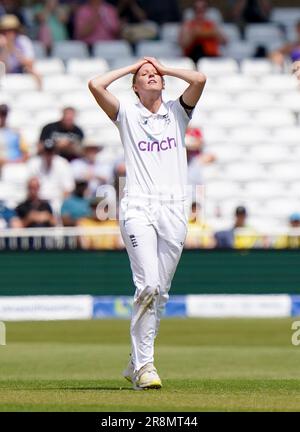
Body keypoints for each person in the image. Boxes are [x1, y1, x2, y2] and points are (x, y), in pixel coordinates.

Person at [88, 56, 206, 389]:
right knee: (148, 285)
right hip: (138, 207)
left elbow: (199, 79)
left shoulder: (177, 112)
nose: (151, 76)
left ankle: (135, 361)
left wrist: (164, 69)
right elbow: (96, 85)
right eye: (145, 75)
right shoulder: (126, 113)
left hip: (174, 210)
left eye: (155, 74)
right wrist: (131, 67)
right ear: (135, 85)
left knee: (161, 293)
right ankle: (145, 368)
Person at [27, 139, 75, 213]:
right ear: (43, 152)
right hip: (39, 201)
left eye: (51, 152)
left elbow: (68, 188)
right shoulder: (34, 163)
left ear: (55, 152)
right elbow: (31, 185)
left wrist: (61, 203)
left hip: (58, 201)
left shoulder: (63, 163)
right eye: (47, 152)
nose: (49, 154)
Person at [0, 14, 41, 87]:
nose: (9, 33)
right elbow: (2, 66)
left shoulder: (23, 41)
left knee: (35, 73)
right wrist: (4, 49)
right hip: (4, 74)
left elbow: (30, 63)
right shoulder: (1, 43)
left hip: (22, 71)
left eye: (12, 30)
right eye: (5, 31)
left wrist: (13, 49)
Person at [0, 103, 28, 172]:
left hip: (14, 167)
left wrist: (16, 162)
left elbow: (26, 153)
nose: (2, 117)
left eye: (4, 114)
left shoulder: (15, 133)